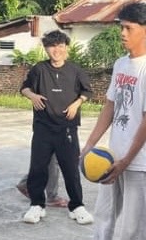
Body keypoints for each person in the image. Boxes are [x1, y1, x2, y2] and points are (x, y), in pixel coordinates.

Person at [79, 2, 146, 240]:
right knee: (103, 218)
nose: (122, 33)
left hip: (138, 161)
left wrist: (127, 160)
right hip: (112, 157)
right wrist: (89, 145)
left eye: (128, 28)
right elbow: (110, 106)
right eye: (121, 27)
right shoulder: (121, 64)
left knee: (135, 228)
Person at [19, 30, 94, 225]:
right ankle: (37, 205)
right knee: (38, 167)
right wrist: (32, 96)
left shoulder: (75, 71)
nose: (56, 50)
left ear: (66, 47)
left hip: (67, 128)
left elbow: (87, 91)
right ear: (46, 49)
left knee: (70, 169)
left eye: (60, 46)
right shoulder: (39, 69)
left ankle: (77, 206)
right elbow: (24, 87)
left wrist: (77, 103)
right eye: (52, 46)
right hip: (43, 127)